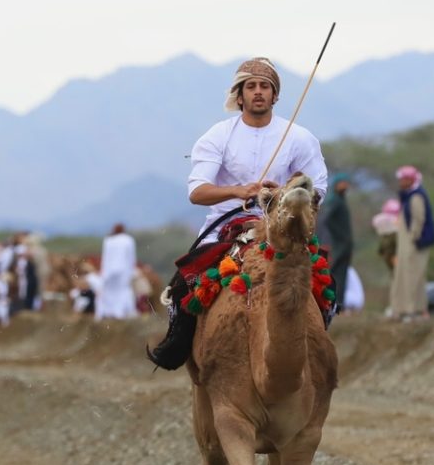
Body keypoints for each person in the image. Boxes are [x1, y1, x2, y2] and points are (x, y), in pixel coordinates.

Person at [147, 56, 329, 369]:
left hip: (278, 226)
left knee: (324, 282)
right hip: (226, 226)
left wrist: (284, 191)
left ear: (275, 95)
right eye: (251, 86)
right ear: (239, 95)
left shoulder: (300, 138)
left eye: (265, 86)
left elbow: (318, 189)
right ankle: (181, 349)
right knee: (184, 285)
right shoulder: (218, 136)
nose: (258, 91)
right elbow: (197, 191)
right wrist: (239, 191)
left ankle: (319, 351)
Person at [391, 165, 434, 321]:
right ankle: (402, 309)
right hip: (407, 244)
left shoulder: (417, 196)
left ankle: (413, 309)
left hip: (414, 244)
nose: (400, 182)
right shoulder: (408, 196)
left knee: (413, 277)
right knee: (404, 276)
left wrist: (413, 239)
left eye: (403, 179)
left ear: (411, 180)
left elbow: (418, 220)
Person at [316, 172, 355, 313]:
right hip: (335, 244)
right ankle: (330, 303)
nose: (345, 185)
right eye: (342, 183)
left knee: (341, 274)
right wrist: (336, 237)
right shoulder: (334, 201)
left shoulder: (341, 200)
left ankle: (339, 304)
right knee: (332, 274)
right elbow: (326, 220)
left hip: (344, 245)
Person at [95, 223, 138, 320]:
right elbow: (131, 256)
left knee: (108, 291)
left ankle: (107, 312)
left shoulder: (108, 240)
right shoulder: (128, 239)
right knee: (123, 290)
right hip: (124, 269)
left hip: (109, 270)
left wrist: (103, 271)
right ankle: (121, 312)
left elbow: (105, 257)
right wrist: (132, 270)